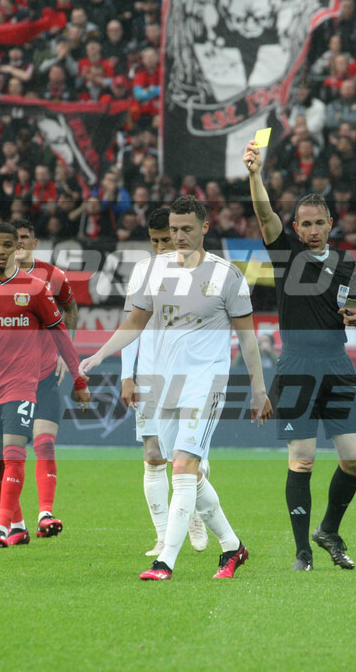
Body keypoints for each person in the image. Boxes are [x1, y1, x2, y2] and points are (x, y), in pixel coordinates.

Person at [79, 195, 273, 580]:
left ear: (204, 228)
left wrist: (259, 390)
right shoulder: (153, 272)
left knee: (183, 467)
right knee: (188, 472)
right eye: (174, 230)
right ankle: (233, 547)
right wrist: (99, 357)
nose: (179, 236)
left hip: (206, 384)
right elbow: (134, 324)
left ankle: (164, 560)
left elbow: (248, 339)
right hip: (162, 385)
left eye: (187, 229)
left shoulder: (227, 275)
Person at [244, 139, 356, 572]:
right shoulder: (287, 254)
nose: (313, 229)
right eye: (306, 223)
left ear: (330, 223)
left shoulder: (348, 264)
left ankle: (328, 529)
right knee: (303, 459)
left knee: (355, 458)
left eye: (320, 222)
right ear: (295, 228)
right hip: (296, 364)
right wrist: (255, 174)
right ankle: (302, 552)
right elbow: (264, 213)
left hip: (337, 364)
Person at [0, 222, 90, 547]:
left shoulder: (39, 286)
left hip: (26, 384)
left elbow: (60, 330)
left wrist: (77, 377)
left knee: (21, 452)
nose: (1, 251)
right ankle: (18, 525)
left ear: (19, 248)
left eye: (7, 245)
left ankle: (8, 525)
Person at [119, 207, 210, 556]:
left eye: (165, 239)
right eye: (155, 240)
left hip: (190, 376)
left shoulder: (199, 271)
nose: (161, 246)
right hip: (151, 377)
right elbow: (131, 327)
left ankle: (195, 514)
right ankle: (162, 535)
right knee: (153, 455)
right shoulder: (143, 273)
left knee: (187, 459)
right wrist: (127, 376)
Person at [9, 218, 80, 538]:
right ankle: (14, 522)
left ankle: (46, 514)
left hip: (46, 375)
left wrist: (68, 351)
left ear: (34, 243)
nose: (20, 243)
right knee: (10, 453)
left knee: (45, 444)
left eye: (25, 237)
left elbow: (71, 309)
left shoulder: (53, 276)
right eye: (15, 239)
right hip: (10, 380)